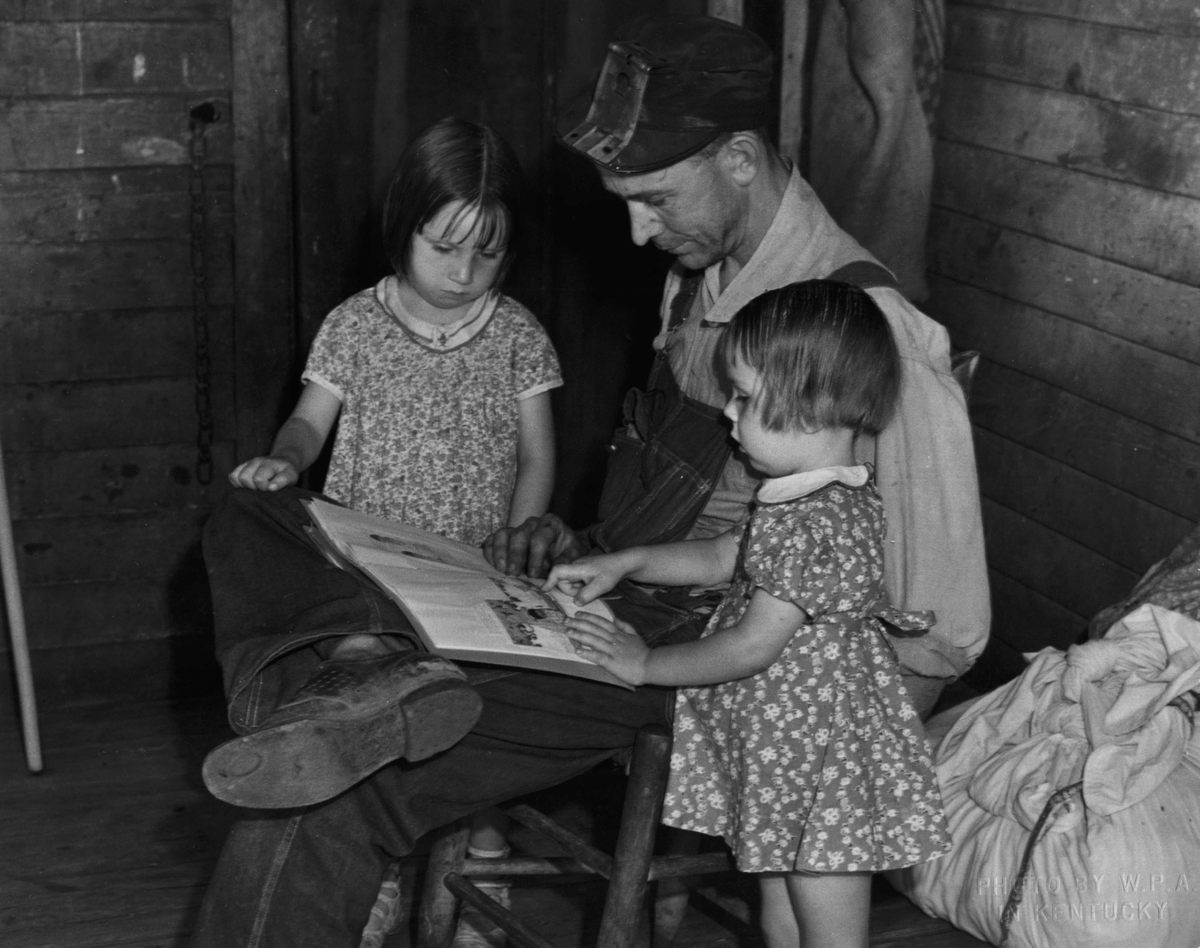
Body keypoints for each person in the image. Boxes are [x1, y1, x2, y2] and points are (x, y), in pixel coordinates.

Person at [190, 14, 988, 948]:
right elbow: (688, 497)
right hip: (610, 592)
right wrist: (582, 548)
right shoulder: (707, 273)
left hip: (700, 657)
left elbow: (946, 624)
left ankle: (350, 703)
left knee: (327, 790)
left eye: (652, 197)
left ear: (738, 157)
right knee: (254, 515)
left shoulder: (862, 327)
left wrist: (820, 767)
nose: (639, 231)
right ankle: (355, 679)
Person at [546, 280, 950, 947]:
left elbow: (751, 646)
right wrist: (623, 562)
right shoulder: (790, 495)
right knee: (781, 916)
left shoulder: (823, 517)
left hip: (824, 762)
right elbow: (720, 557)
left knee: (829, 933)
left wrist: (645, 663)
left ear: (812, 407)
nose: (727, 415)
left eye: (743, 397)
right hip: (783, 753)